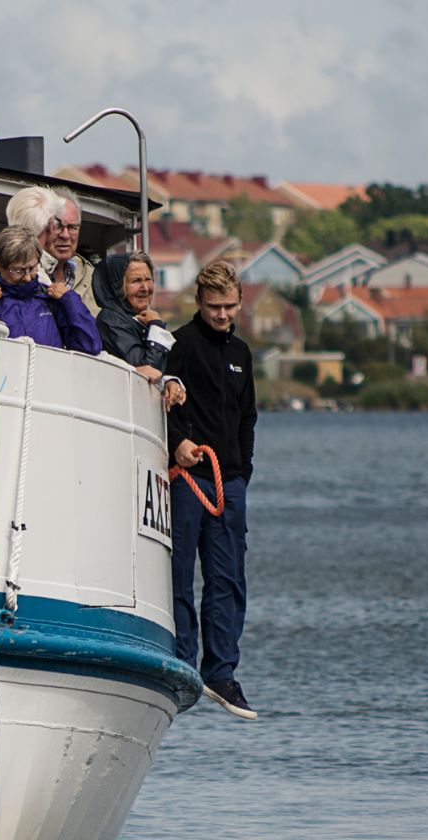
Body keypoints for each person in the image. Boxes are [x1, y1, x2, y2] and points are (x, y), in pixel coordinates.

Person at [166, 260, 259, 720]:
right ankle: (183, 663)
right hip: (189, 479)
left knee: (227, 580)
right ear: (199, 303)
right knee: (179, 574)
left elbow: (247, 417)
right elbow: (162, 403)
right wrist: (176, 442)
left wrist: (243, 471)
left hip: (230, 481)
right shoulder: (180, 345)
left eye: (229, 306)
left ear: (239, 303)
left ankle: (221, 673)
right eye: (213, 307)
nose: (222, 314)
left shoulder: (242, 351)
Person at [0, 226, 101, 353]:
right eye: (19, 270)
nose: (28, 278)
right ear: (0, 266)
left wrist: (70, 299)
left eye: (32, 268)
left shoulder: (50, 298)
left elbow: (90, 346)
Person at [94, 252, 186, 410]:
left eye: (148, 279)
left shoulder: (138, 319)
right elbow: (147, 372)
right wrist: (156, 327)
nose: (145, 288)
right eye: (136, 281)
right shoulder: (111, 320)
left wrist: (169, 382)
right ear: (117, 286)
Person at [42, 189, 99, 315]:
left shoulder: (90, 276)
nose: (65, 235)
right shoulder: (22, 271)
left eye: (72, 227)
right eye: (57, 226)